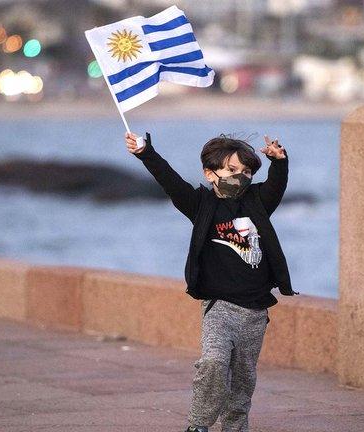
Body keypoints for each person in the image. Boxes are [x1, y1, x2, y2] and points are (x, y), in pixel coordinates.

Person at [124, 131, 297, 432]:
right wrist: (145, 152)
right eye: (231, 170)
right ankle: (199, 424)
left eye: (246, 172)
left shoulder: (257, 202)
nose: (239, 177)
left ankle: (234, 428)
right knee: (213, 363)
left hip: (255, 313)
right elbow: (171, 182)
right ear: (209, 172)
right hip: (219, 309)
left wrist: (279, 163)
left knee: (243, 382)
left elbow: (276, 186)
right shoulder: (201, 205)